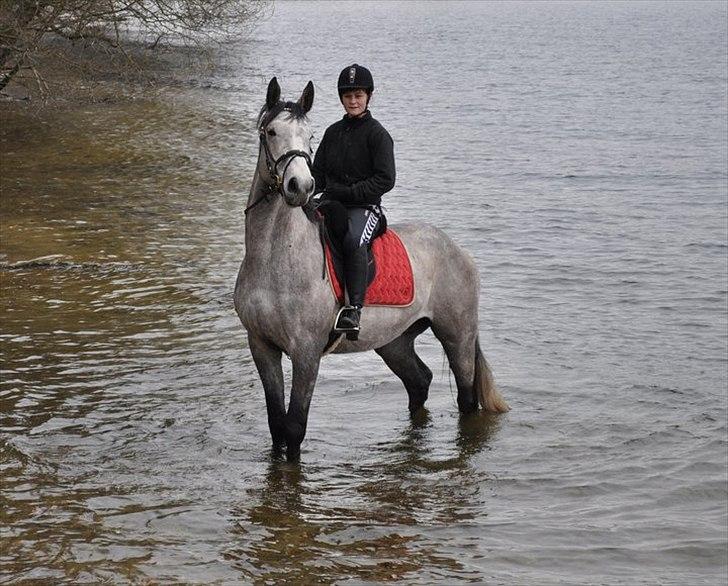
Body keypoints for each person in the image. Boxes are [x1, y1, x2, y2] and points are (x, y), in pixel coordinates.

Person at [312, 63, 396, 336]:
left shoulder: (378, 135)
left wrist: (349, 192)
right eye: (348, 96)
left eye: (358, 95)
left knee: (352, 239)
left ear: (368, 97)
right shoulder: (332, 133)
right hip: (332, 203)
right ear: (341, 99)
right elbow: (319, 175)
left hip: (365, 207)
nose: (353, 101)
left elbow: (385, 180)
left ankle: (353, 310)